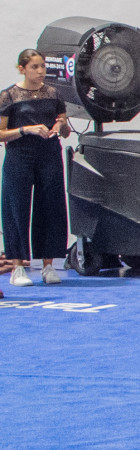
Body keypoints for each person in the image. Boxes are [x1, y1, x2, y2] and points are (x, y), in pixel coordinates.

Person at [2, 50, 72, 286]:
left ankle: (48, 265)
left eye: (42, 66)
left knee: (51, 206)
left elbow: (65, 129)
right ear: (22, 69)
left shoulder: (53, 94)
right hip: (19, 155)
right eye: (35, 67)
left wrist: (61, 125)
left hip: (49, 153)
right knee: (17, 207)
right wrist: (26, 130)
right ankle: (18, 267)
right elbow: (1, 133)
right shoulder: (9, 96)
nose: (41, 71)